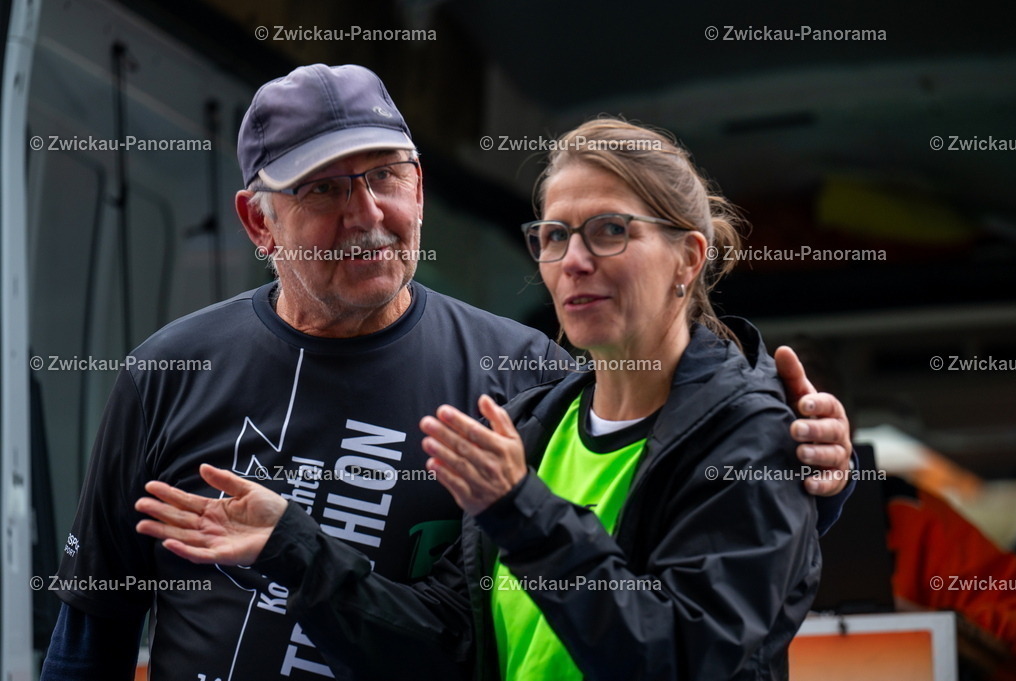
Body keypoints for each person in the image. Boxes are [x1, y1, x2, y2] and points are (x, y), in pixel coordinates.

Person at [43, 65, 851, 681]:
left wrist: (807, 472)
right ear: (260, 220)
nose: (365, 214)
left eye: (385, 175)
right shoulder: (167, 372)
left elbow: (696, 582)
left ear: (420, 187)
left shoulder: (519, 380)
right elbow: (92, 629)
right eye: (324, 188)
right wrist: (295, 545)